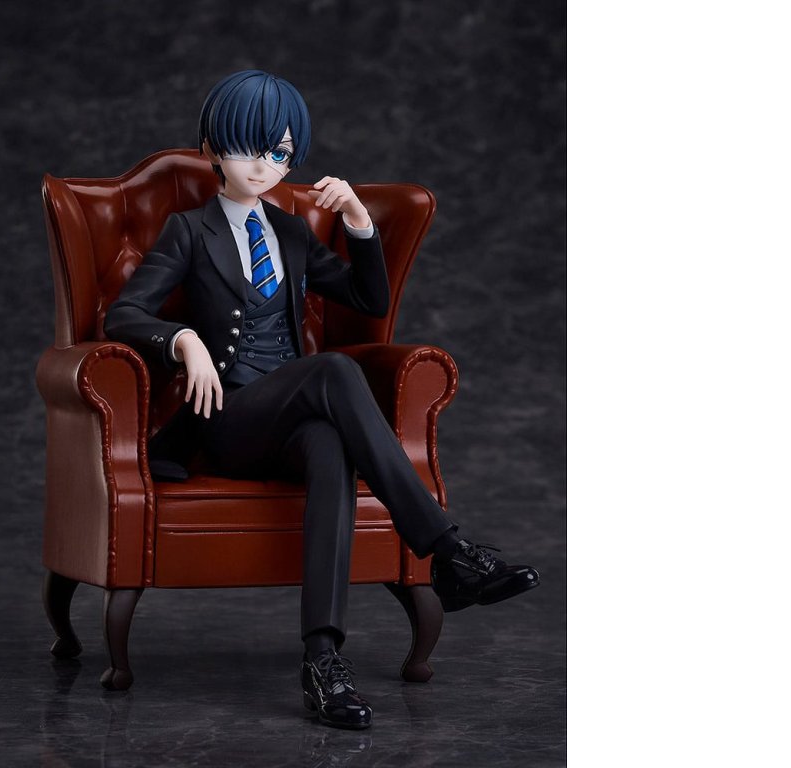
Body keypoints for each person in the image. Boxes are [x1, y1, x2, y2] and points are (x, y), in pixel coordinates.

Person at [104, 69, 539, 730]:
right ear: (212, 148)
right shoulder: (189, 231)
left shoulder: (291, 233)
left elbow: (368, 300)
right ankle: (450, 552)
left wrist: (360, 224)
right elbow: (124, 314)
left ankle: (323, 662)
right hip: (227, 420)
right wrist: (182, 339)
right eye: (247, 147)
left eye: (279, 153)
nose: (264, 166)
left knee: (330, 445)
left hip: (288, 421)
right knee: (334, 371)